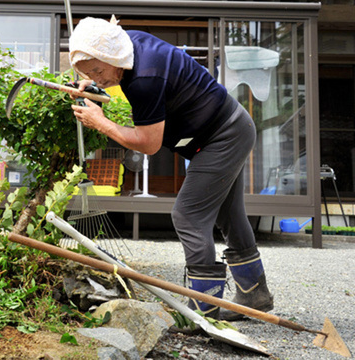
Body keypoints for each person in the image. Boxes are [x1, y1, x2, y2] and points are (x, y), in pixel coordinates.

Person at [68, 16, 274, 320]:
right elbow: (115, 77)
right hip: (229, 127)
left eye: (98, 70)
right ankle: (254, 294)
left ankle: (203, 308)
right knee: (228, 213)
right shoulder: (127, 44)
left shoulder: (145, 79)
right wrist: (95, 84)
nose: (96, 76)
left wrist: (102, 123)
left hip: (223, 136)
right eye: (87, 73)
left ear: (114, 55)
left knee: (188, 214)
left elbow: (148, 143)